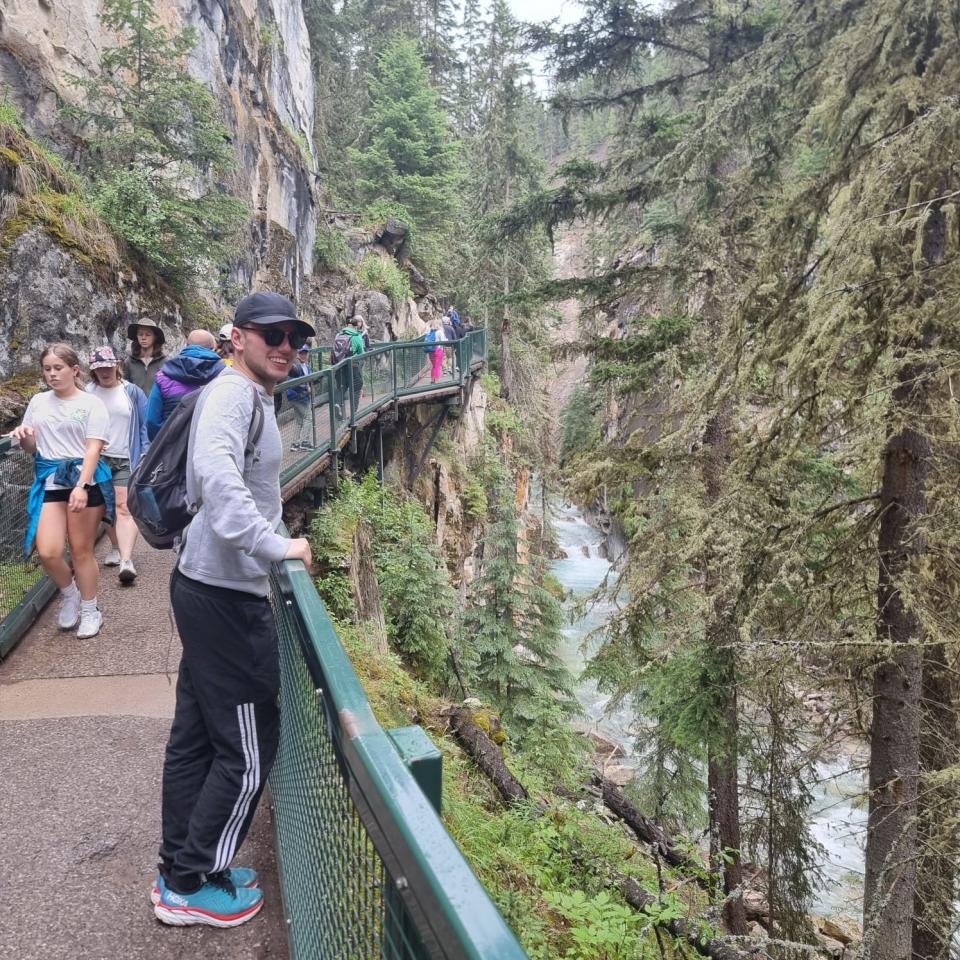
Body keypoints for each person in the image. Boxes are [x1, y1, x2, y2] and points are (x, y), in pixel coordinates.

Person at [154, 291, 314, 929]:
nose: (285, 347)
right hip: (225, 596)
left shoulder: (253, 397)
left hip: (206, 585)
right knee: (250, 748)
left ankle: (184, 868)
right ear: (239, 337)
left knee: (196, 738)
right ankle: (189, 884)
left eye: (294, 338)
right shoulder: (231, 396)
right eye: (271, 334)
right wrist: (276, 547)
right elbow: (218, 482)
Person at [11, 344, 115, 640]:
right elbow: (32, 449)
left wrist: (82, 486)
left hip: (85, 480)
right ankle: (69, 594)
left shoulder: (91, 404)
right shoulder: (39, 402)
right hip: (51, 481)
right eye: (47, 369)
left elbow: (93, 448)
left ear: (74, 370)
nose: (53, 374)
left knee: (81, 550)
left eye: (58, 368)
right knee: (48, 550)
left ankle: (91, 609)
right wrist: (25, 436)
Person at [87, 346, 150, 584]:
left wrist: (145, 454)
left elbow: (145, 426)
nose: (104, 371)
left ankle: (126, 561)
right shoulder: (87, 393)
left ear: (117, 365)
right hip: (97, 459)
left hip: (125, 457)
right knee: (104, 507)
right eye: (99, 368)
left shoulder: (131, 392)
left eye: (107, 366)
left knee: (124, 506)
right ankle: (115, 545)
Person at [146, 330, 225, 439]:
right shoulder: (223, 375)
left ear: (186, 346)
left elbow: (151, 420)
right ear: (213, 348)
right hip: (208, 446)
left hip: (171, 448)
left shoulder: (163, 376)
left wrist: (163, 442)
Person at [123, 318, 166, 395]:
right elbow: (124, 388)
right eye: (140, 334)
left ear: (155, 337)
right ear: (137, 337)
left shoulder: (164, 362)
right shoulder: (129, 362)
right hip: (135, 406)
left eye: (148, 334)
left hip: (156, 406)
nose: (143, 338)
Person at [285, 344, 313, 451]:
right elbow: (292, 382)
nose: (304, 355)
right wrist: (306, 387)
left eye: (305, 353)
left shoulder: (307, 366)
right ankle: (304, 441)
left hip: (301, 396)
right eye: (301, 353)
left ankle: (295, 443)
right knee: (308, 417)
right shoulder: (295, 365)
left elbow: (310, 378)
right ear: (298, 354)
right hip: (298, 396)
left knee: (299, 420)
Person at [425, 318, 446, 383]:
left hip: (431, 351)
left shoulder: (430, 332)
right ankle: (436, 381)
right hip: (438, 350)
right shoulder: (440, 332)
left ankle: (432, 380)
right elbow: (443, 341)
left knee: (434, 366)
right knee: (437, 366)